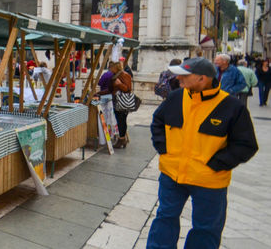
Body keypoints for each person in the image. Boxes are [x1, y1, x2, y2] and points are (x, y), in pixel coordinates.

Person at [148, 58, 258, 249]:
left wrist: (217, 164)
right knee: (165, 218)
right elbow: (158, 121)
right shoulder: (176, 97)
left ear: (202, 79)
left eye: (185, 75)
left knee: (206, 229)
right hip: (172, 175)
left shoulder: (232, 106)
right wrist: (164, 150)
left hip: (209, 180)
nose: (179, 78)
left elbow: (246, 144)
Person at [95, 61, 120, 141]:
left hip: (104, 96)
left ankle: (104, 136)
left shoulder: (107, 74)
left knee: (104, 117)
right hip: (112, 97)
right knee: (111, 117)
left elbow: (100, 83)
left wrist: (97, 93)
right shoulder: (116, 75)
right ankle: (112, 134)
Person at [110, 62, 133, 149]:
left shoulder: (125, 75)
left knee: (121, 120)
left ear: (115, 67)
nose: (110, 69)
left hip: (122, 101)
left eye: (111, 67)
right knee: (120, 119)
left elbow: (128, 89)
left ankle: (122, 139)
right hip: (117, 100)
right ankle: (122, 138)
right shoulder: (116, 75)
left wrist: (119, 84)